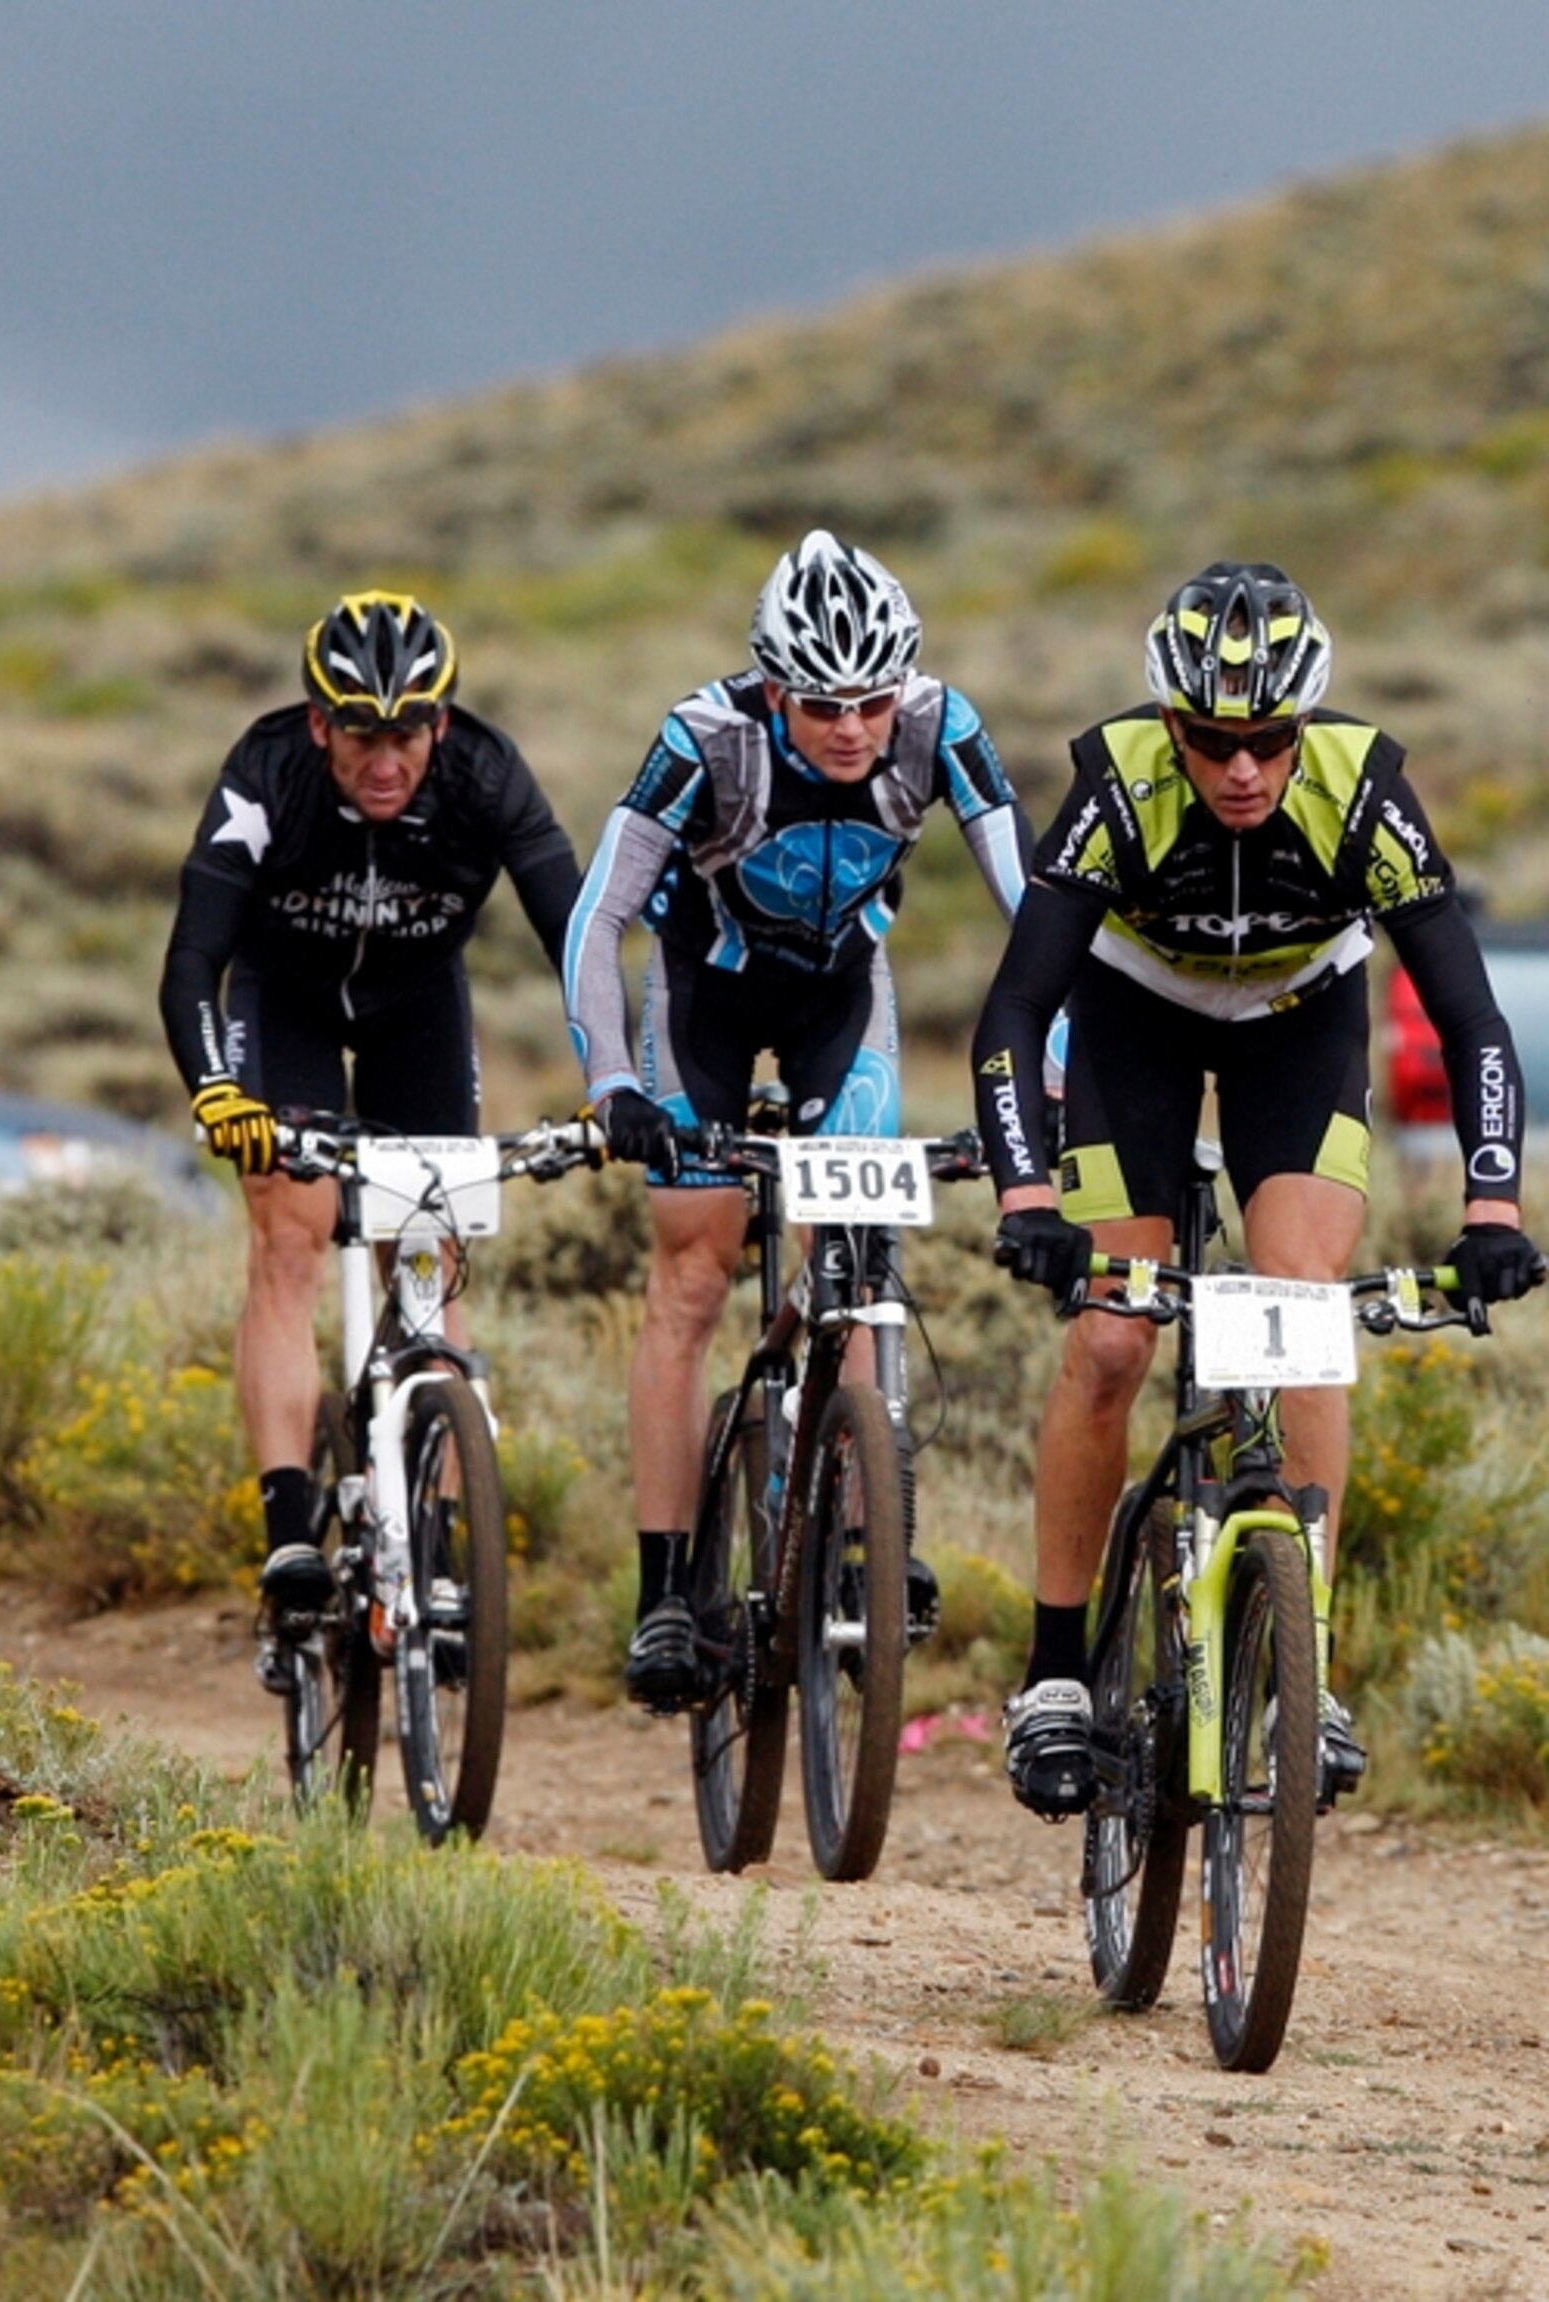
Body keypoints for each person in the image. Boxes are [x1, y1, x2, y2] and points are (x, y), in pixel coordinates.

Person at [974, 561, 1544, 1815]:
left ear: (1304, 730)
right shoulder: (1117, 783)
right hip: (1137, 1023)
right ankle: (1057, 1675)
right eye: (1214, 742)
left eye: (1268, 741)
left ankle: (1305, 1667)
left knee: (1304, 1306)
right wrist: (1027, 1201)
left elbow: (1470, 1020)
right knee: (1116, 1336)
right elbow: (1018, 1004)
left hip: (1300, 1023)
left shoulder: (1364, 792)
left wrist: (1493, 1207)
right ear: (1172, 727)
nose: (1242, 769)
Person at [564, 530, 1035, 1709]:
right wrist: (614, 1085)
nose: (851, 729)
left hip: (840, 995)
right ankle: (668, 1586)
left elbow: (1038, 915)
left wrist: (1045, 1084)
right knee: (694, 1264)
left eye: (872, 702)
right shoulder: (703, 740)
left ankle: (870, 1542)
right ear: (774, 688)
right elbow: (597, 917)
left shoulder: (942, 728)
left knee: (858, 1252)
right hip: (703, 999)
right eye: (823, 704)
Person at [159, 590, 580, 1615]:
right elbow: (192, 964)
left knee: (431, 1255)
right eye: (359, 733)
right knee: (290, 1237)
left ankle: (427, 1547)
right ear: (319, 724)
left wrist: (620, 1083)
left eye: (407, 732)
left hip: (417, 1006)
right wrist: (219, 1094)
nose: (385, 759)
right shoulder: (265, 775)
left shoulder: (487, 776)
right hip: (283, 1001)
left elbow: (578, 942)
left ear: (440, 722)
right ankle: (290, 1527)